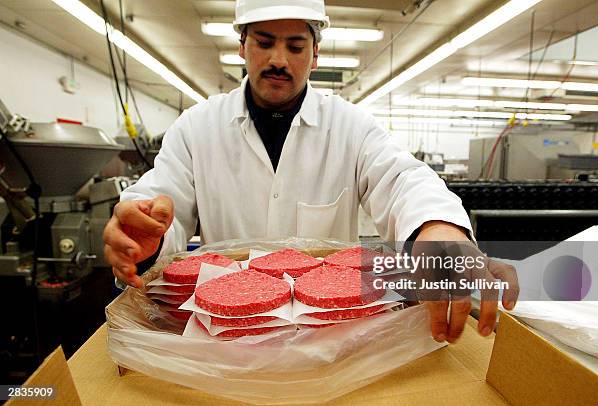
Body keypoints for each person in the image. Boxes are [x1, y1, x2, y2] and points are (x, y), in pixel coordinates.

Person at [103, 0, 518, 343]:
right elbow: (163, 203)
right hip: (226, 333)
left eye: (296, 47)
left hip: (329, 333)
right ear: (242, 46)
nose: (278, 60)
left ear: (315, 55)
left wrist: (438, 228)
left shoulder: (351, 125)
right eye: (264, 43)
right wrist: (145, 236)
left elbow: (402, 177)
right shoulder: (197, 127)